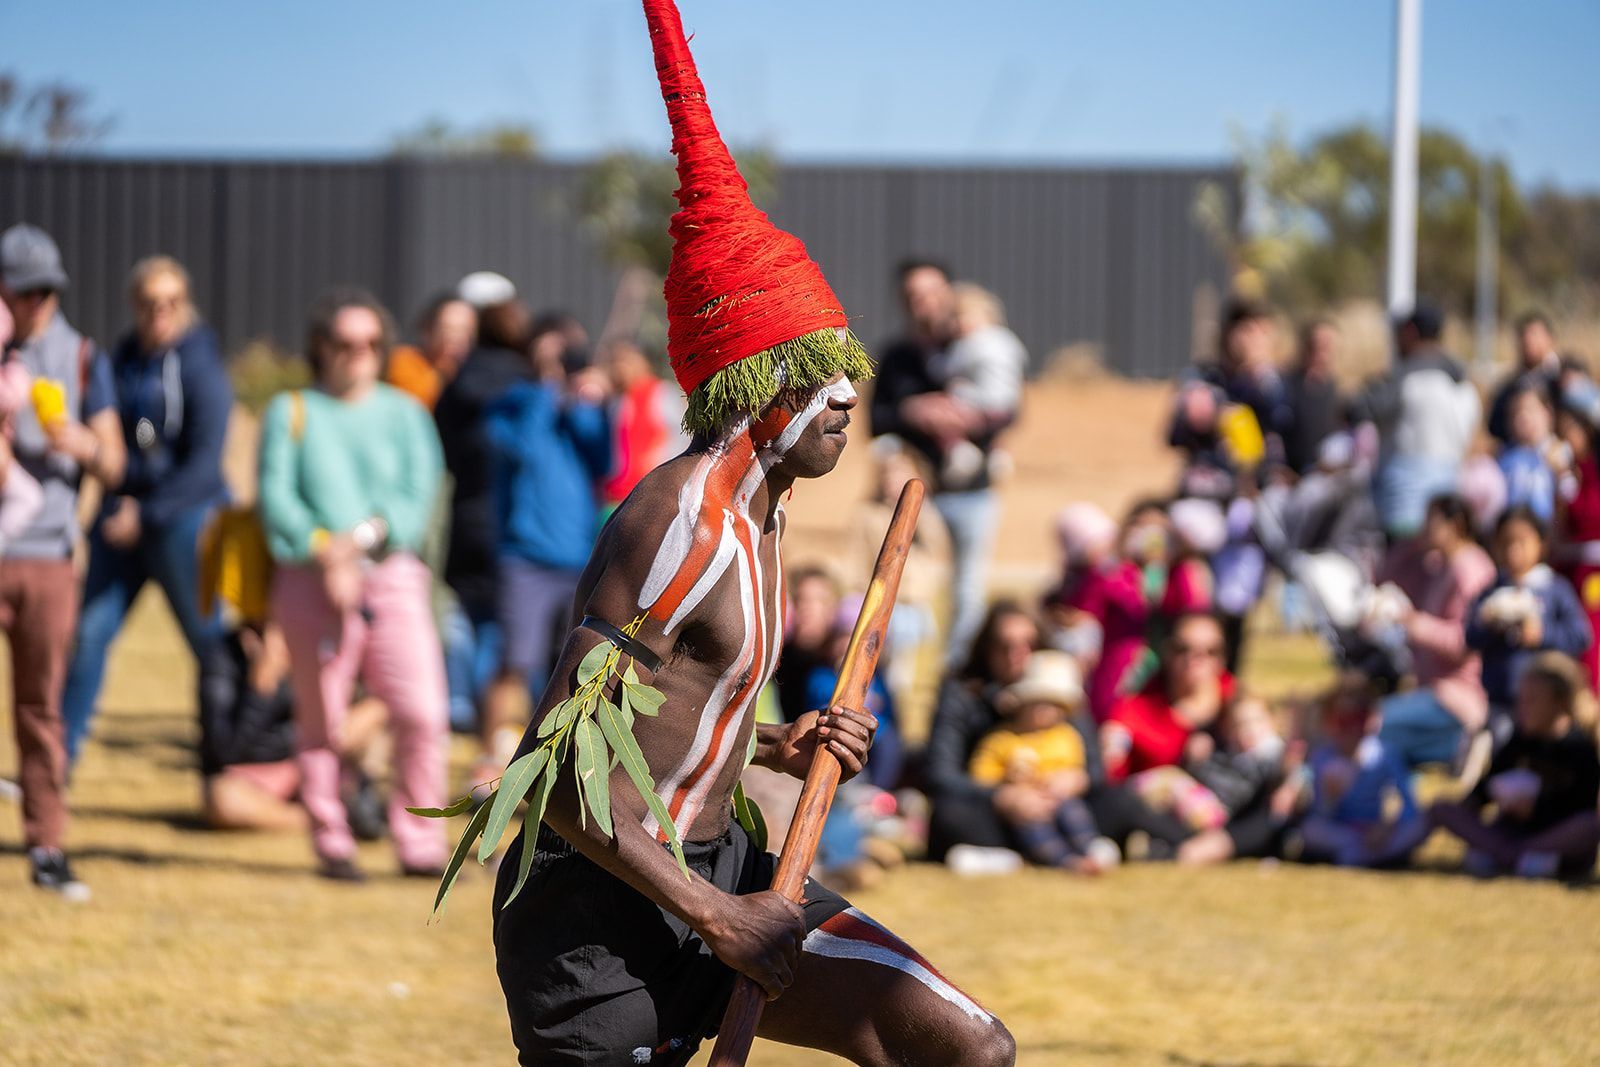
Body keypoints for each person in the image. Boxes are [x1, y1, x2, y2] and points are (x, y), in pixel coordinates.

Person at [491, 6, 1015, 1062]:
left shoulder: (766, 516)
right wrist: (718, 916)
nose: (845, 405)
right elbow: (558, 772)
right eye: (823, 380)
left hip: (723, 873)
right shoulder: (676, 520)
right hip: (595, 925)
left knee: (966, 1047)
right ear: (760, 386)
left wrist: (780, 742)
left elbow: (670, 723)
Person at [258, 288, 450, 882]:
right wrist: (324, 553)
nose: (358, 354)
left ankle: (420, 840)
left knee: (422, 711)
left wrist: (356, 543)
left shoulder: (407, 414)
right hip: (309, 581)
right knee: (322, 720)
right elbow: (275, 501)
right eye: (345, 342)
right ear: (322, 347)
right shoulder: (291, 410)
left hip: (391, 576)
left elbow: (416, 502)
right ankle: (331, 837)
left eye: (370, 342)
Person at [61, 255, 234, 764]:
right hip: (124, 520)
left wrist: (147, 514)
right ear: (133, 305)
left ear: (185, 304)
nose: (160, 311)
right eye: (149, 302)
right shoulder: (121, 361)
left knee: (209, 646)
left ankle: (229, 761)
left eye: (171, 301)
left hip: (183, 521)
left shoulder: (202, 366)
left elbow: (204, 467)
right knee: (88, 634)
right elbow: (116, 448)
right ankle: (54, 765)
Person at [0, 223, 126, 898]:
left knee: (40, 708)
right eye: (25, 291)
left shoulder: (80, 356)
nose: (38, 302)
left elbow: (114, 457)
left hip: (46, 553)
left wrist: (76, 440)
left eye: (48, 290)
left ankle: (46, 844)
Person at [476, 321, 612, 776]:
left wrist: (594, 404)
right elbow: (524, 449)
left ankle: (555, 767)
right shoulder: (518, 402)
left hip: (577, 556)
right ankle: (491, 766)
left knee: (570, 667)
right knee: (515, 659)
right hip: (526, 557)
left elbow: (607, 461)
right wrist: (548, 391)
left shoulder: (583, 409)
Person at [871, 259, 1020, 667]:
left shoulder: (974, 343)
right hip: (918, 494)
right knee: (912, 585)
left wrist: (968, 418)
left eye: (933, 293)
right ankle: (904, 674)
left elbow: (1008, 408)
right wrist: (914, 411)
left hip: (973, 491)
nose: (925, 304)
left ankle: (957, 669)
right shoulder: (899, 356)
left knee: (968, 588)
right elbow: (876, 420)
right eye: (914, 296)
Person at [433, 272, 532, 731]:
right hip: (513, 517)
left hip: (466, 511)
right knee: (497, 617)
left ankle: (457, 698)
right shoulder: (528, 384)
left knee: (461, 611)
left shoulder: (457, 384)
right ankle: (477, 696)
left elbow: (444, 452)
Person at [1423, 652, 1600, 879]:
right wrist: (1471, 806)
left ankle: (1508, 855)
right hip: (1513, 831)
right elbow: (1486, 788)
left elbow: (1580, 809)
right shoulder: (1520, 740)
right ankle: (1517, 857)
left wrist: (1534, 810)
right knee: (1442, 808)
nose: (1523, 707)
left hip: (1553, 837)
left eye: (1532, 700)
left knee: (1588, 827)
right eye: (1521, 699)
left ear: (1560, 703)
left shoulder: (1580, 747)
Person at [1372, 494, 1497, 771]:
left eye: (1432, 522)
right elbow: (1386, 577)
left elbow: (1466, 641)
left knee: (1373, 725)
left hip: (1458, 697)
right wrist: (1407, 548)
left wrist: (1413, 623)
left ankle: (1460, 746)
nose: (1424, 528)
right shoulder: (1441, 564)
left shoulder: (1470, 569)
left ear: (1455, 525)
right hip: (1432, 690)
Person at [967, 650, 1118, 873]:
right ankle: (1065, 861)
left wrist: (1067, 780)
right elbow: (981, 774)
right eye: (1038, 702)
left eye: (1052, 704)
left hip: (1062, 800)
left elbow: (1076, 767)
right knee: (1034, 828)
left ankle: (1089, 850)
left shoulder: (1066, 736)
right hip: (1025, 806)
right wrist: (1008, 781)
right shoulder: (1002, 739)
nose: (1044, 711)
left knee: (1076, 814)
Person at [1350, 300, 1480, 539]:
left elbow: (1360, 410)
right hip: (1446, 511)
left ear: (1409, 332)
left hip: (1401, 509)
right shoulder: (1463, 386)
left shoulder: (1405, 382)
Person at [1466, 506, 1592, 738]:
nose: (1513, 551)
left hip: (1549, 704)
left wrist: (1542, 635)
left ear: (1541, 543)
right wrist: (1488, 623)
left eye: (1521, 542)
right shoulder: (1493, 591)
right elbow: (1470, 637)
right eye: (1505, 543)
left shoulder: (1554, 588)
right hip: (1502, 701)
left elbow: (1581, 636)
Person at [1042, 502, 1149, 720]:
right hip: (1105, 660)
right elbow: (1082, 616)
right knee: (1105, 706)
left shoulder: (1117, 572)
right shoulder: (1091, 579)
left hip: (1126, 653)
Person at [1297, 685, 1422, 868]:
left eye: (1359, 719)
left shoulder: (1385, 755)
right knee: (1311, 830)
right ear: (1328, 723)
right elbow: (1320, 814)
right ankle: (1365, 856)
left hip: (1379, 829)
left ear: (1374, 720)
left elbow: (1409, 805)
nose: (1352, 729)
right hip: (1343, 833)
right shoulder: (1323, 757)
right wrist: (1329, 797)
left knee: (1421, 824)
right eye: (1343, 721)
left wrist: (1388, 826)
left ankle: (1367, 855)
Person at [598, 337, 687, 513]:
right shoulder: (617, 401)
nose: (618, 368)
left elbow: (681, 436)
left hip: (651, 492)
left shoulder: (661, 394)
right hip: (616, 494)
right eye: (614, 362)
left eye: (624, 361)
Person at [772, 564, 841, 723]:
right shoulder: (778, 659)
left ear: (833, 607)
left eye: (819, 601)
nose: (808, 608)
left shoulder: (840, 659)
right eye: (802, 599)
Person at [385, 292, 477, 410]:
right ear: (428, 329)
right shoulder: (403, 362)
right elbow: (416, 409)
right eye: (447, 329)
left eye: (465, 330)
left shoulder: (473, 370)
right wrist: (442, 373)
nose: (456, 338)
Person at [1487, 311, 1562, 445]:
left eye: (1534, 334)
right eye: (1523, 336)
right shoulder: (1510, 386)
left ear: (1550, 338)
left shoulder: (1562, 380)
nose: (1528, 340)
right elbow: (1494, 426)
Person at [1282, 318, 1345, 476]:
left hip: (1331, 476)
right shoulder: (1287, 385)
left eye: (1326, 346)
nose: (1321, 353)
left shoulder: (1340, 390)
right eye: (1316, 346)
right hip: (1295, 477)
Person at [1496, 385, 1559, 525]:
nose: (1523, 418)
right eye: (1515, 413)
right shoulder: (1504, 458)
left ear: (1548, 412)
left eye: (1530, 410)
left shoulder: (1562, 453)